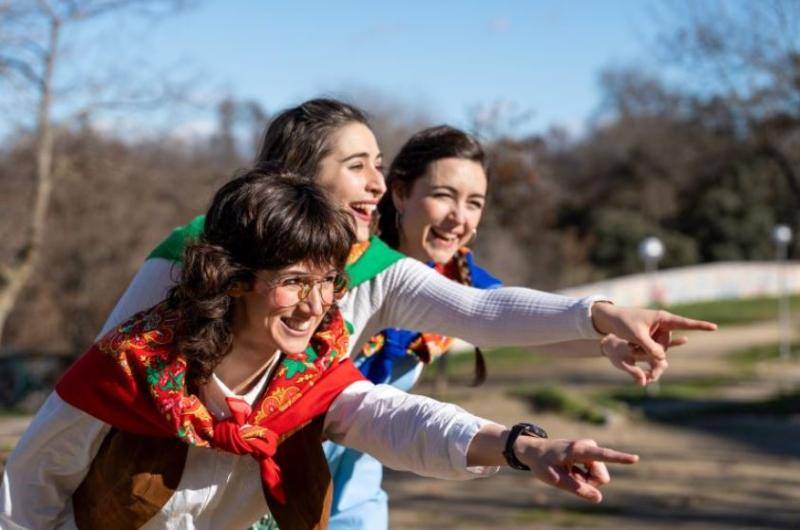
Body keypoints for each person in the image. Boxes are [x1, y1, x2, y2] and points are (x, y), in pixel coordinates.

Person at [93, 99, 715, 528]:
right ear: (296, 177)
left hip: (307, 486)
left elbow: (485, 313)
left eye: (378, 165)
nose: (375, 183)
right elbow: (100, 385)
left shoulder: (379, 267)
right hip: (153, 492)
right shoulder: (198, 249)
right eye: (357, 166)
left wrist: (600, 318)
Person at [0, 169, 641, 530]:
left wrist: (524, 446)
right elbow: (27, 495)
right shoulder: (127, 370)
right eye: (292, 281)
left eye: (328, 281)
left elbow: (400, 419)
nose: (315, 306)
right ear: (235, 278)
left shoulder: (309, 377)